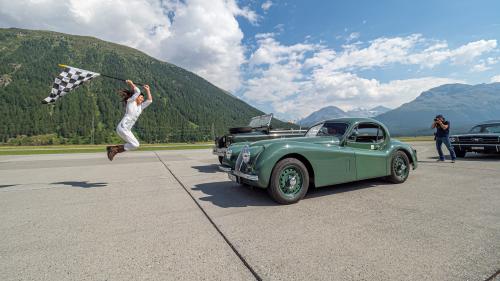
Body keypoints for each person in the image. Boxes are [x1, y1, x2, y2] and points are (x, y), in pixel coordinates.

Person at [107, 80, 152, 161]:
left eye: (143, 98)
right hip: (122, 127)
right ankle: (114, 149)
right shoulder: (131, 101)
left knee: (136, 144)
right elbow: (137, 91)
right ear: (136, 97)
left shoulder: (140, 107)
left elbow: (149, 101)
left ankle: (114, 149)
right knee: (135, 144)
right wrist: (131, 84)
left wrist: (148, 90)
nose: (142, 100)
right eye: (141, 97)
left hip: (127, 129)